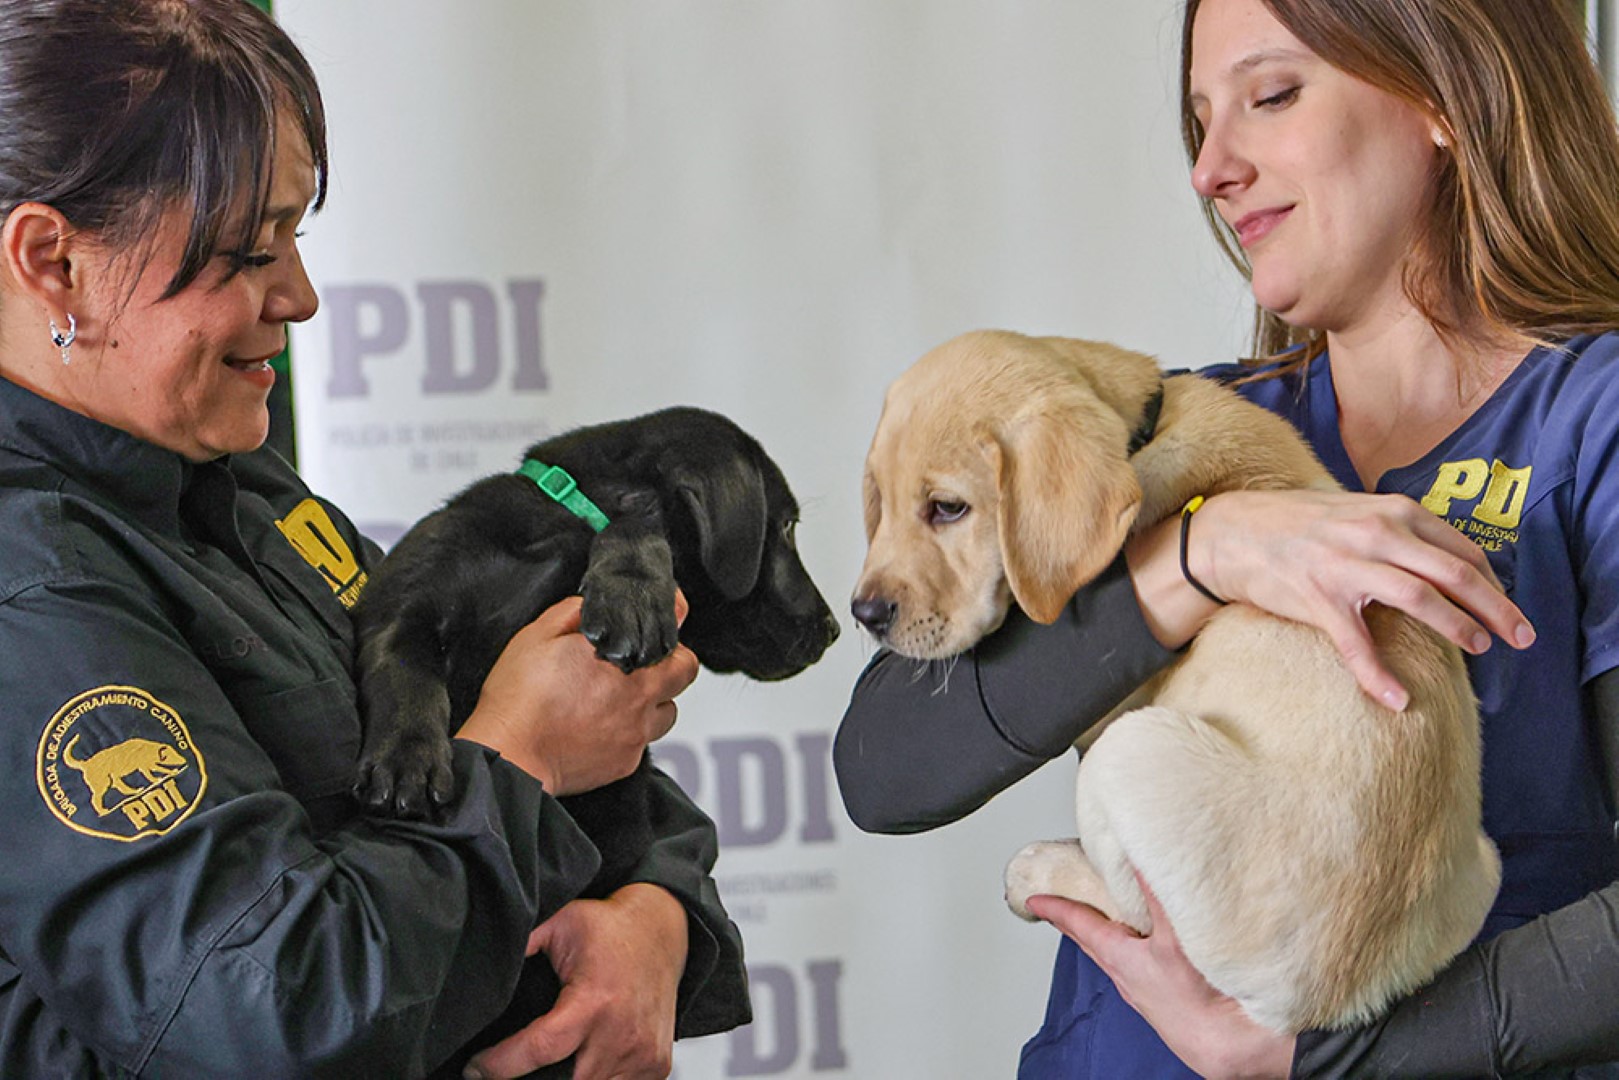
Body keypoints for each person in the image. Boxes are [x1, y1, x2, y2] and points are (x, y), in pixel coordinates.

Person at [836, 0, 1619, 1076]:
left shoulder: (1591, 424)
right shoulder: (1178, 431)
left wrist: (1332, 1059)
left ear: (1444, 94)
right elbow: (885, 768)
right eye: (1200, 122)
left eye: (1270, 96)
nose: (1209, 169)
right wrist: (1202, 557)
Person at [0, 2, 747, 1078]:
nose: (298, 294)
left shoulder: (232, 479)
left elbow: (568, 722)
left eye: (296, 234)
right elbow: (273, 1010)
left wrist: (651, 918)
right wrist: (520, 766)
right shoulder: (35, 588)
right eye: (249, 249)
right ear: (53, 262)